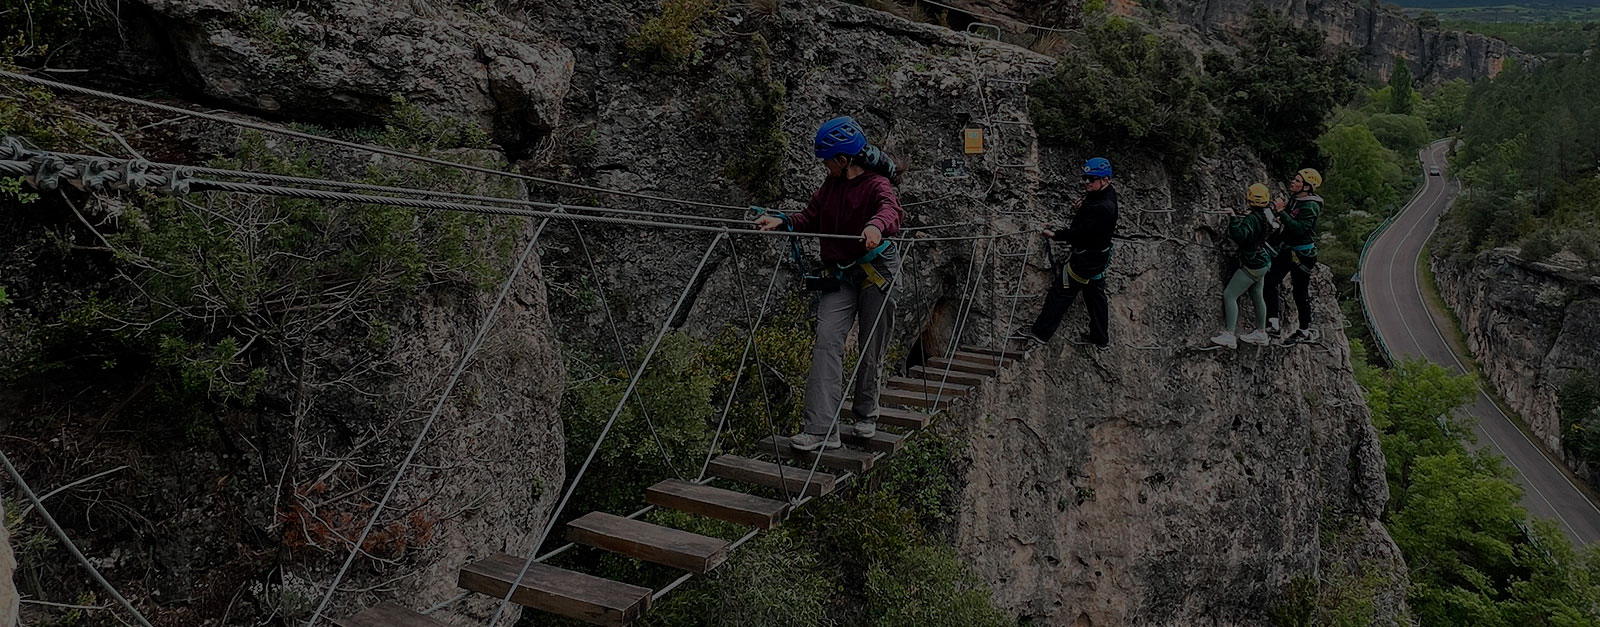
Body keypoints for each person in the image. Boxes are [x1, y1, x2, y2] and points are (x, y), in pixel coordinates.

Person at [754, 116, 904, 451]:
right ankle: (822, 430)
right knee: (826, 341)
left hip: (877, 271)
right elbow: (811, 217)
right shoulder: (830, 185)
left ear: (844, 159)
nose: (824, 165)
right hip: (841, 274)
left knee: (870, 346)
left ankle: (866, 413)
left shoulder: (876, 184)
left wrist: (876, 227)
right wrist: (782, 220)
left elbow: (890, 210)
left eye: (827, 160)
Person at [1009, 157, 1119, 352]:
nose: (1086, 182)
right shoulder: (1106, 194)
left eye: (1091, 179)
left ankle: (1041, 333)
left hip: (1085, 261)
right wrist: (1083, 205)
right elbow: (1093, 208)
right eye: (1084, 178)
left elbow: (1081, 233)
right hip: (1099, 258)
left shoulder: (1103, 208)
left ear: (1106, 179)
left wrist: (1055, 235)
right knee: (1095, 296)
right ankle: (1100, 339)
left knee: (1061, 293)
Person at [1210, 184, 1276, 349]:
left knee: (1230, 295)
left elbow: (1239, 236)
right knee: (1257, 295)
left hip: (1252, 264)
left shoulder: (1251, 219)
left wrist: (1233, 218)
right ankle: (1261, 332)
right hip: (1263, 262)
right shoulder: (1267, 215)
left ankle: (1229, 335)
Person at [1263, 168, 1324, 345]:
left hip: (1302, 255)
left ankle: (1304, 330)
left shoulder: (1310, 206)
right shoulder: (1296, 199)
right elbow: (1290, 222)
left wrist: (1281, 212)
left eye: (1298, 181)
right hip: (1289, 250)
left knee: (1300, 292)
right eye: (1295, 179)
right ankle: (1273, 322)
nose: (1293, 182)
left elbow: (1299, 229)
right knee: (1270, 282)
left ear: (1307, 187)